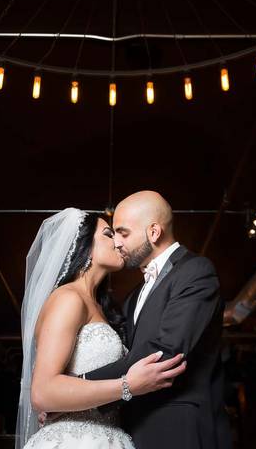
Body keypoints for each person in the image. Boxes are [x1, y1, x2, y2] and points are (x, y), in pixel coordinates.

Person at [17, 208, 186, 449]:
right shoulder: (68, 299)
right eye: (109, 234)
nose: (118, 242)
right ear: (84, 247)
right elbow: (42, 392)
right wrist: (127, 385)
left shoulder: (102, 307)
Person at [81, 191, 232, 449]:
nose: (116, 242)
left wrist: (78, 389)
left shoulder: (196, 271)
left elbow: (165, 352)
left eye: (123, 233)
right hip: (133, 427)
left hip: (179, 427)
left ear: (154, 232)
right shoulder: (133, 296)